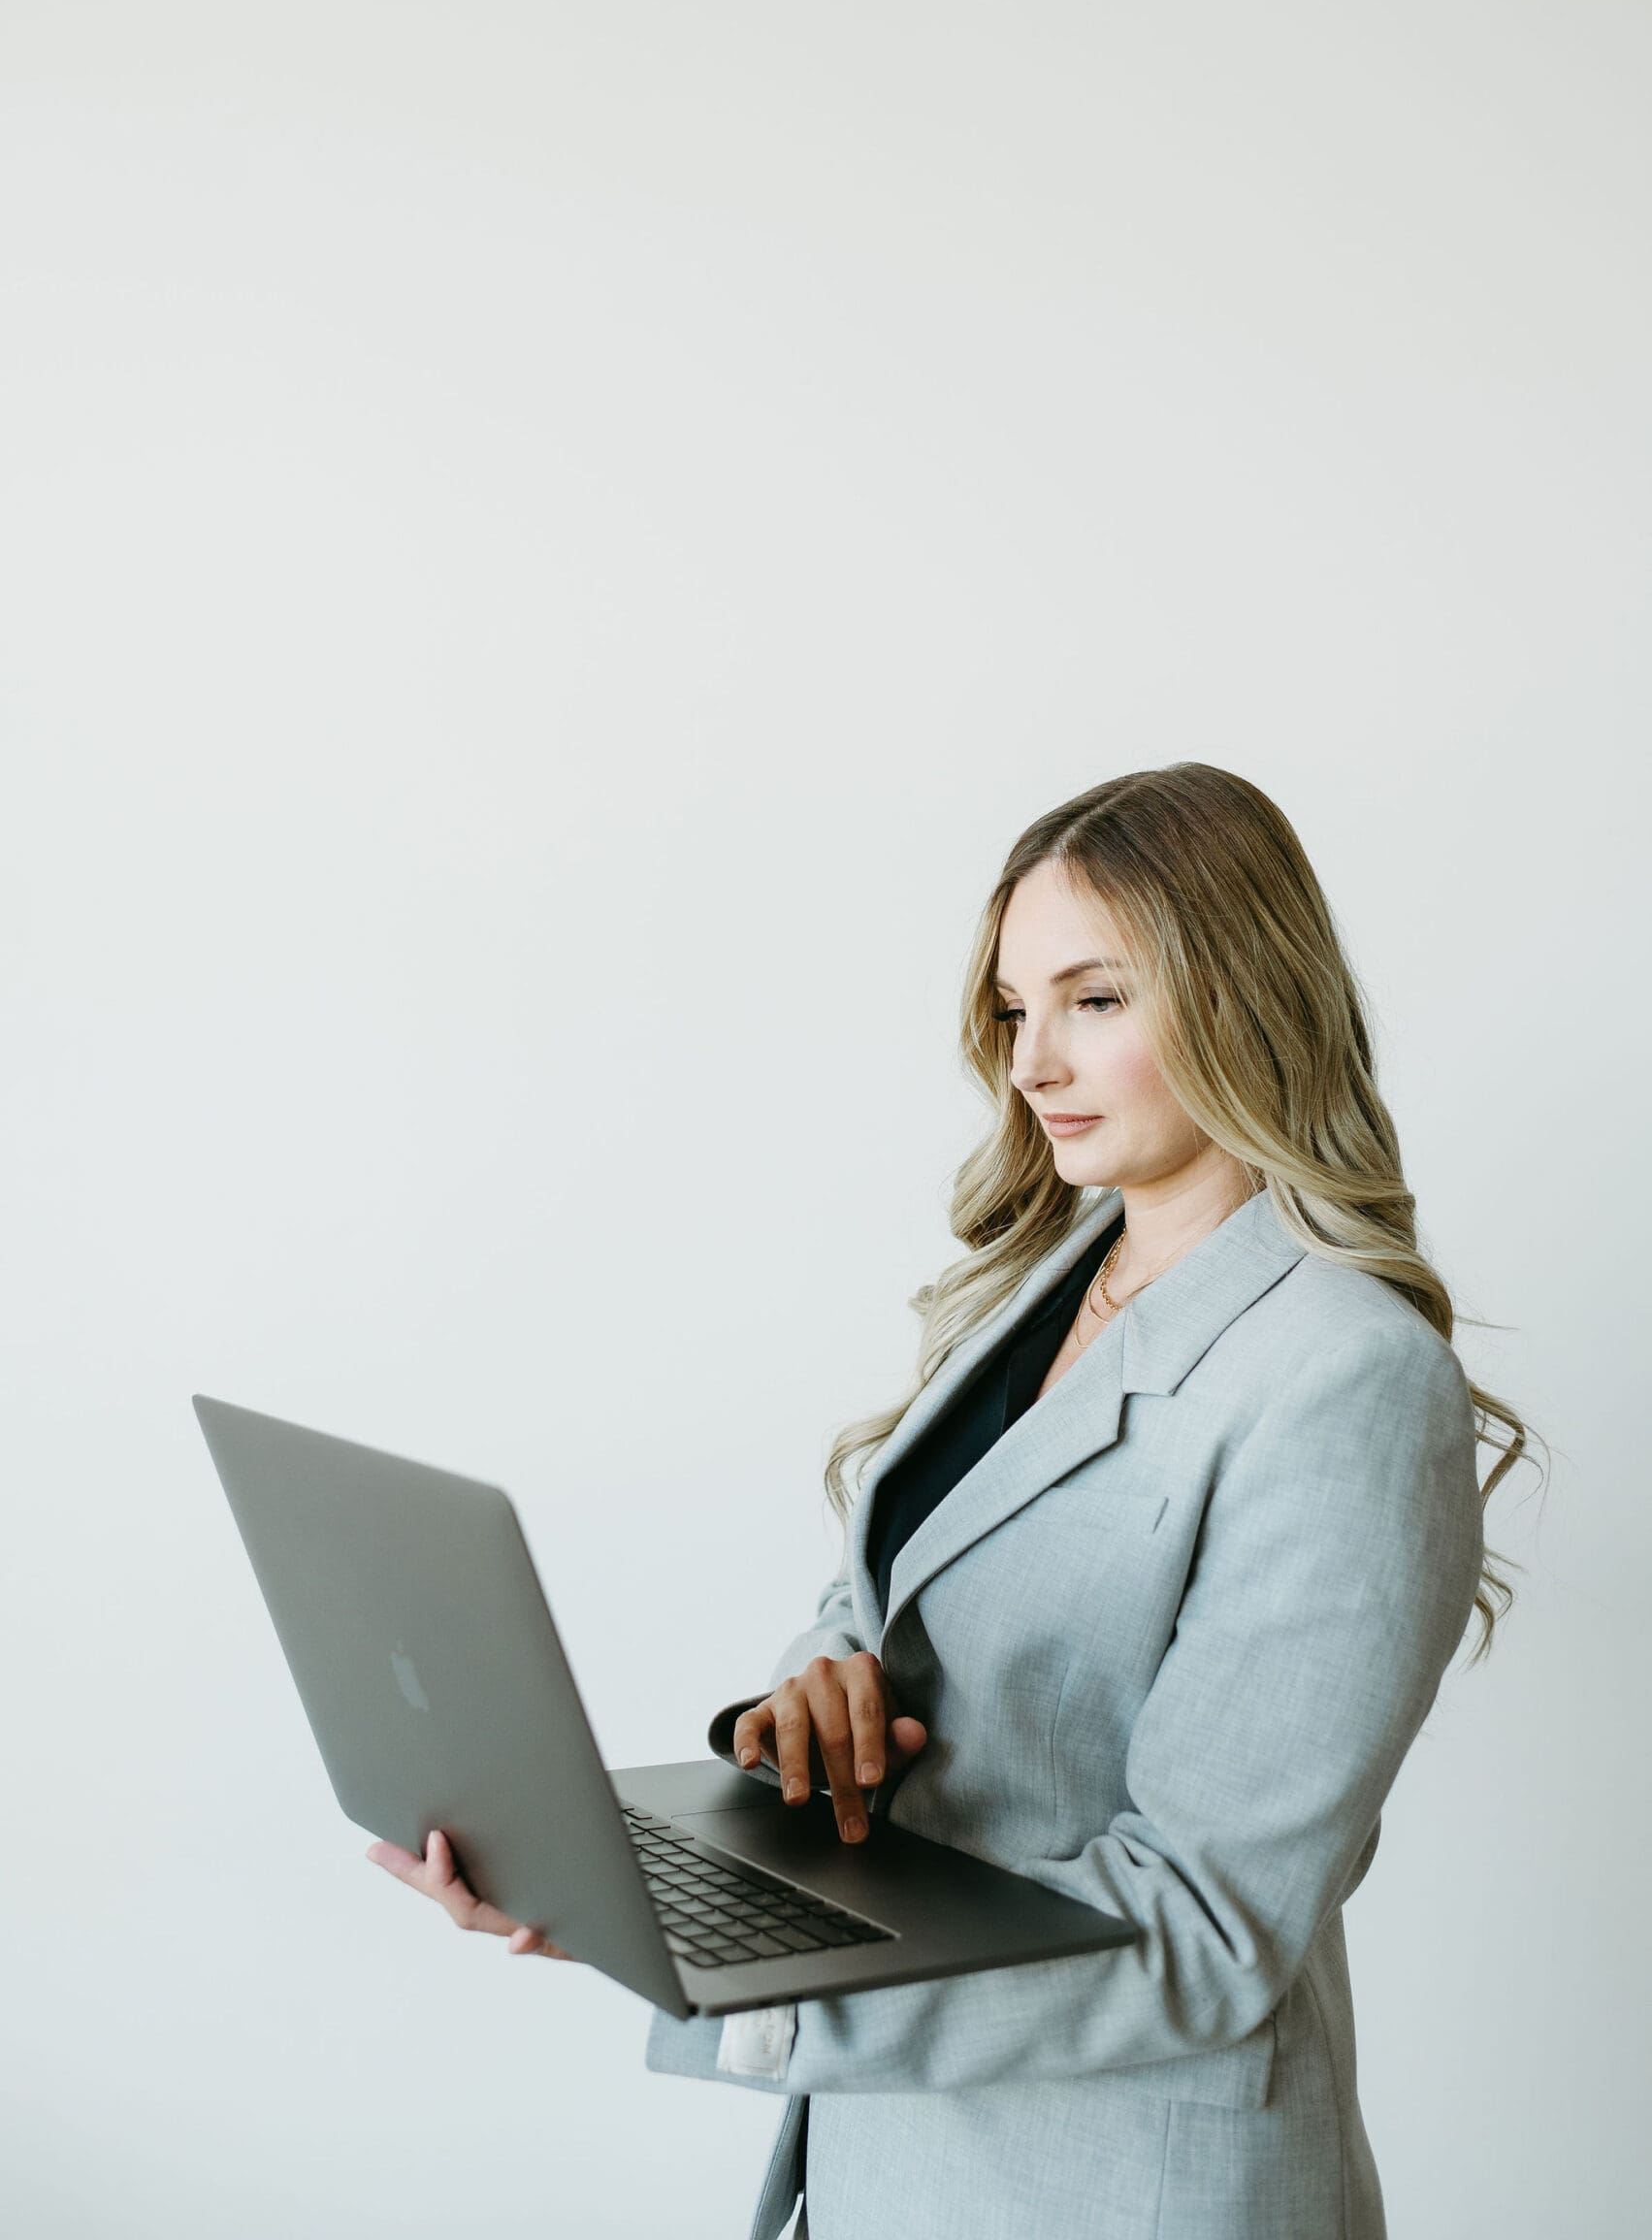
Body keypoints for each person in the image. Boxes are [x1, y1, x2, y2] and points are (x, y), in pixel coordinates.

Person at [367, 762, 1541, 2240]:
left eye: (1094, 1000)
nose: (1032, 1060)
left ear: (1245, 992)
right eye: (1012, 1009)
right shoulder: (1040, 1290)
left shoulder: (1345, 1379)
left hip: (1126, 2197)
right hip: (903, 2173)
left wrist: (738, 1984)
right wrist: (809, 1709)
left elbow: (1208, 1930)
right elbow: (885, 1610)